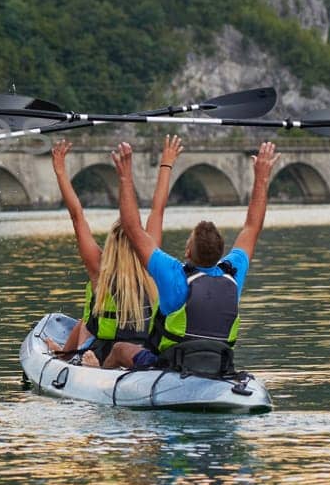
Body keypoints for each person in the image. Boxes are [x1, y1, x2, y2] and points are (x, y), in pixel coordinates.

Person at [111, 139, 279, 374]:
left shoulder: (173, 274)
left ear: (188, 252)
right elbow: (252, 227)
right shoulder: (233, 272)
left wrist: (125, 178)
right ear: (221, 253)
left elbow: (133, 229)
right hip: (219, 365)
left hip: (171, 366)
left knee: (120, 348)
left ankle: (99, 377)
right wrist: (262, 178)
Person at [46, 135, 182, 369]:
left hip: (104, 353)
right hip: (143, 350)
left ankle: (73, 358)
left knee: (85, 323)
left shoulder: (100, 270)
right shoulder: (152, 264)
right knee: (83, 323)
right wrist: (166, 163)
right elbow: (158, 210)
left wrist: (60, 172)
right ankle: (66, 354)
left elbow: (77, 216)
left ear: (111, 244)